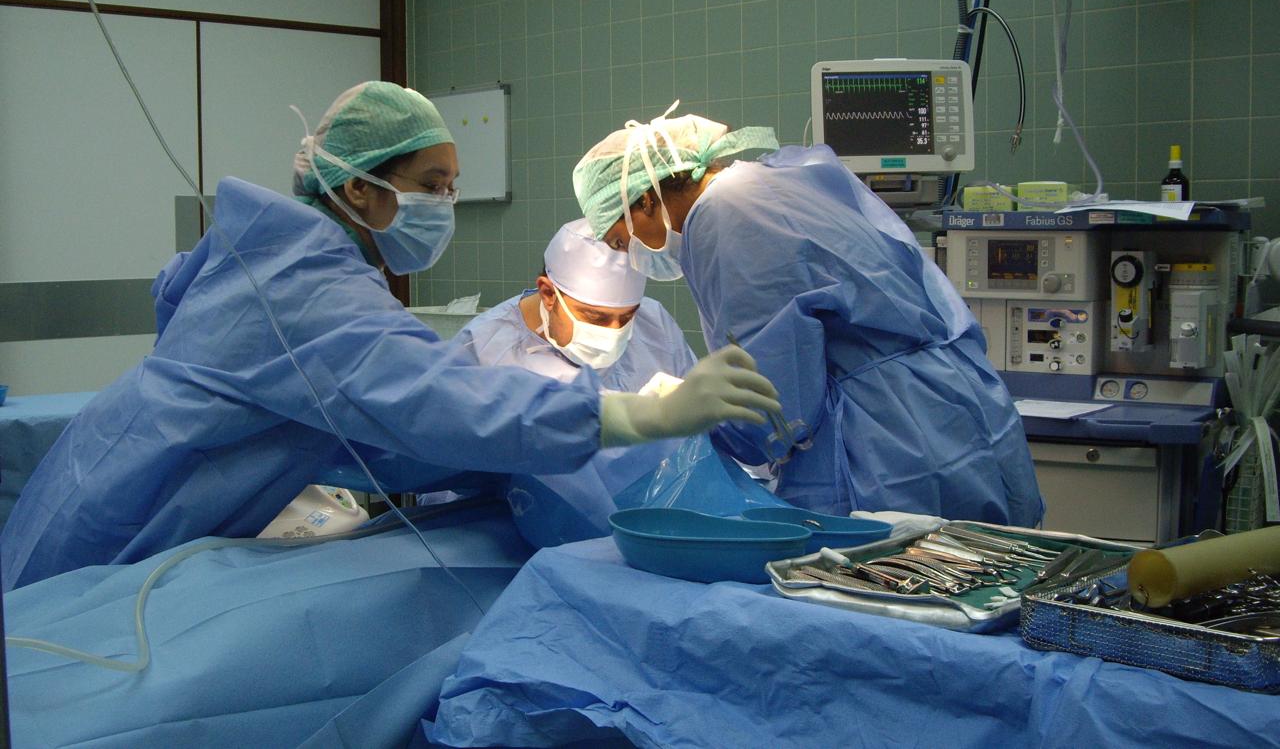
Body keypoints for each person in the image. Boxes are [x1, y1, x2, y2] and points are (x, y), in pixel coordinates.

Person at [0, 83, 781, 590]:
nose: (446, 201)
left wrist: (507, 450)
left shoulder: (290, 259)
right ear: (356, 187)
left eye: (453, 185)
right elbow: (432, 398)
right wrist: (630, 417)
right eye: (431, 186)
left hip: (106, 484)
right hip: (117, 524)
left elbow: (389, 432)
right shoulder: (305, 291)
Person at [570, 105, 1043, 525]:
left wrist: (687, 411)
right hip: (956, 408)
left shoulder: (724, 216)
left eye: (620, 239)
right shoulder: (776, 182)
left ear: (646, 200)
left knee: (888, 603)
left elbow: (769, 391)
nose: (632, 256)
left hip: (894, 445)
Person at [450, 218, 697, 546]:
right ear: (548, 293)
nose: (614, 331)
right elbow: (456, 470)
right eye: (596, 318)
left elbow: (699, 435)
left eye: (627, 317)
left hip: (650, 527)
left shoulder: (654, 324)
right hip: (513, 535)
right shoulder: (484, 349)